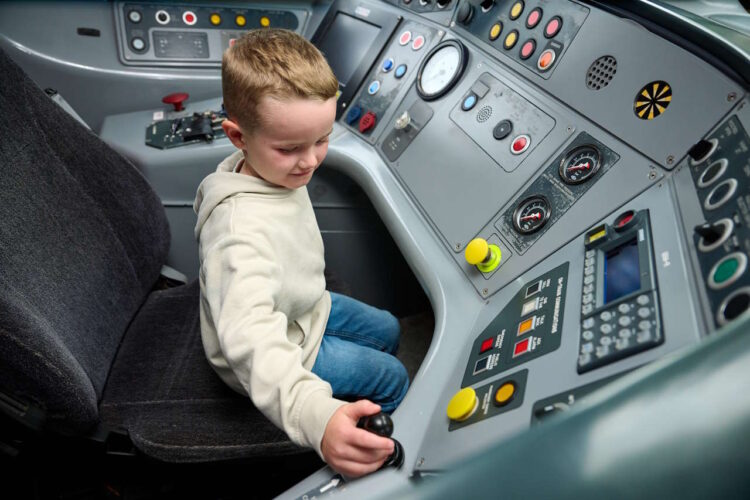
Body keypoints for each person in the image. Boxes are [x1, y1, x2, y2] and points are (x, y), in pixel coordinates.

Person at [193, 28, 409, 477]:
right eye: (291, 148)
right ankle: (381, 457)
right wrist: (316, 416)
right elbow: (252, 344)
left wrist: (291, 150)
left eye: (322, 139)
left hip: (302, 307)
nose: (310, 161)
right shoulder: (238, 235)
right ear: (237, 137)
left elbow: (298, 153)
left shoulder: (271, 168)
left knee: (388, 329)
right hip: (278, 347)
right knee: (392, 376)